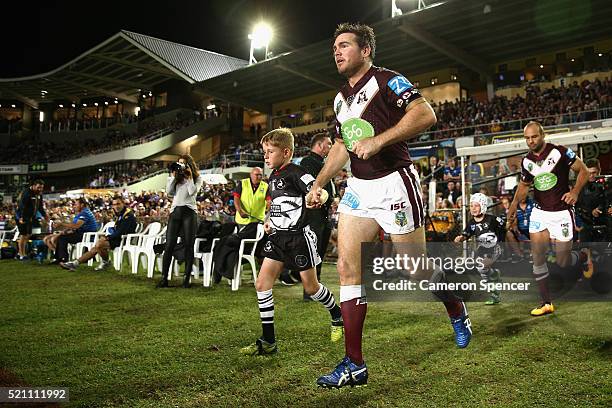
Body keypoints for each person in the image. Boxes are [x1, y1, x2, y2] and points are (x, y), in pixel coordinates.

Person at [307, 23, 471, 389]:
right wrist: (320, 183)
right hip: (359, 188)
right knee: (349, 269)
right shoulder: (339, 98)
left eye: (344, 45)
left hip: (396, 182)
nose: (336, 51)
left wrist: (380, 141)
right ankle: (354, 363)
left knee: (415, 269)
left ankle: (455, 306)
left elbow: (425, 114)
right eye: (334, 46)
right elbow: (341, 146)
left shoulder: (388, 80)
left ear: (365, 51)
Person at [240, 128, 344, 356]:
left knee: (311, 287)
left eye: (270, 151)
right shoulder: (274, 175)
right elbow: (279, 205)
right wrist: (269, 220)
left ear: (286, 152)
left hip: (299, 239)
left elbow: (317, 189)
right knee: (262, 284)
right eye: (264, 152)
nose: (266, 156)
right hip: (278, 238)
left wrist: (319, 197)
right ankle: (268, 342)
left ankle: (337, 314)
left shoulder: (297, 171)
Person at [507, 121, 589, 316]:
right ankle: (546, 302)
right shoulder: (527, 161)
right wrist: (512, 208)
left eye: (534, 136)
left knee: (563, 261)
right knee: (537, 256)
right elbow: (524, 186)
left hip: (561, 213)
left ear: (542, 135)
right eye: (526, 138)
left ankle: (584, 255)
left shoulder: (560, 152)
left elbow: (583, 170)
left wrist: (575, 192)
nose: (530, 141)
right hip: (540, 212)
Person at [296, 132, 334, 298]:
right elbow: (312, 188)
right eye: (329, 144)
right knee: (313, 251)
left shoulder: (322, 162)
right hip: (313, 215)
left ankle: (315, 288)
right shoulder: (308, 162)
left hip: (323, 215)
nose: (331, 147)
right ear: (319, 146)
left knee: (319, 251)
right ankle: (309, 290)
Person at [157, 154, 204, 288]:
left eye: (184, 164)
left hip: (190, 212)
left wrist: (189, 177)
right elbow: (169, 192)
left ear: (189, 164)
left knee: (189, 245)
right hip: (175, 212)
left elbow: (192, 192)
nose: (181, 166)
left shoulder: (197, 177)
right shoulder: (176, 177)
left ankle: (186, 278)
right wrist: (173, 176)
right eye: (179, 163)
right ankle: (164, 278)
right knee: (169, 244)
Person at [60, 195, 137, 271]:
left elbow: (121, 231)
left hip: (126, 240)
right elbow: (117, 229)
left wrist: (107, 237)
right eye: (114, 204)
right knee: (97, 246)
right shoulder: (120, 213)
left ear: (123, 203)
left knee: (99, 244)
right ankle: (74, 263)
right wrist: (107, 236)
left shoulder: (128, 215)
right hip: (119, 238)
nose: (116, 206)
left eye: (118, 204)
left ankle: (105, 262)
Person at [454, 193, 506, 305]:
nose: (473, 208)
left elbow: (503, 226)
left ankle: (494, 294)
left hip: (494, 248)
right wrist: (460, 238)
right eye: (471, 206)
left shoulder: (492, 219)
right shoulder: (471, 223)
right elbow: (466, 234)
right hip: (482, 248)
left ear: (483, 206)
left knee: (483, 266)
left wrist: (501, 243)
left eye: (476, 205)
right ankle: (494, 276)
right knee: (482, 270)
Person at [52, 197, 98, 264]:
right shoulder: (83, 212)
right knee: (62, 236)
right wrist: (65, 231)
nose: (74, 206)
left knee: (62, 238)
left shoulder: (85, 213)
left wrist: (61, 223)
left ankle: (63, 258)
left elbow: (76, 226)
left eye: (76, 204)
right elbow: (74, 225)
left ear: (82, 205)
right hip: (83, 234)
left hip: (87, 236)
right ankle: (59, 258)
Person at [16, 179, 47, 260]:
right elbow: (23, 206)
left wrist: (45, 216)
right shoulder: (26, 193)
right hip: (22, 217)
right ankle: (22, 255)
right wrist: (21, 217)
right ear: (33, 186)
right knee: (23, 235)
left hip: (30, 217)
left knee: (28, 235)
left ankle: (21, 253)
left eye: (41, 188)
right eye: (38, 187)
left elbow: (40, 207)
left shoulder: (39, 194)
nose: (40, 189)